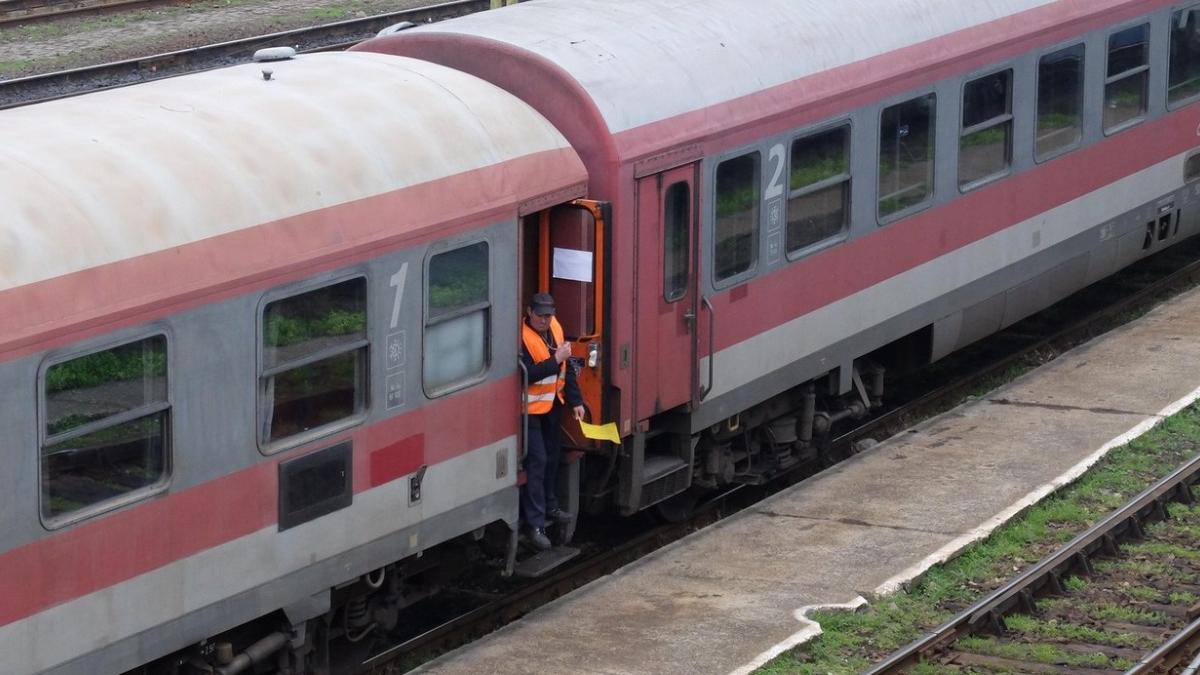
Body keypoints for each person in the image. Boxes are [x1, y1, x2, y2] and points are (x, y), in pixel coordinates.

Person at [520, 292, 585, 551]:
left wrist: (576, 401)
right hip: (529, 412)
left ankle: (550, 505)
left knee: (552, 456)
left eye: (548, 315)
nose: (545, 320)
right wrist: (555, 360)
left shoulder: (555, 328)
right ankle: (535, 525)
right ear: (529, 312)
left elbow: (565, 371)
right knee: (537, 462)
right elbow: (525, 374)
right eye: (540, 315)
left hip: (551, 407)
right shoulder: (522, 338)